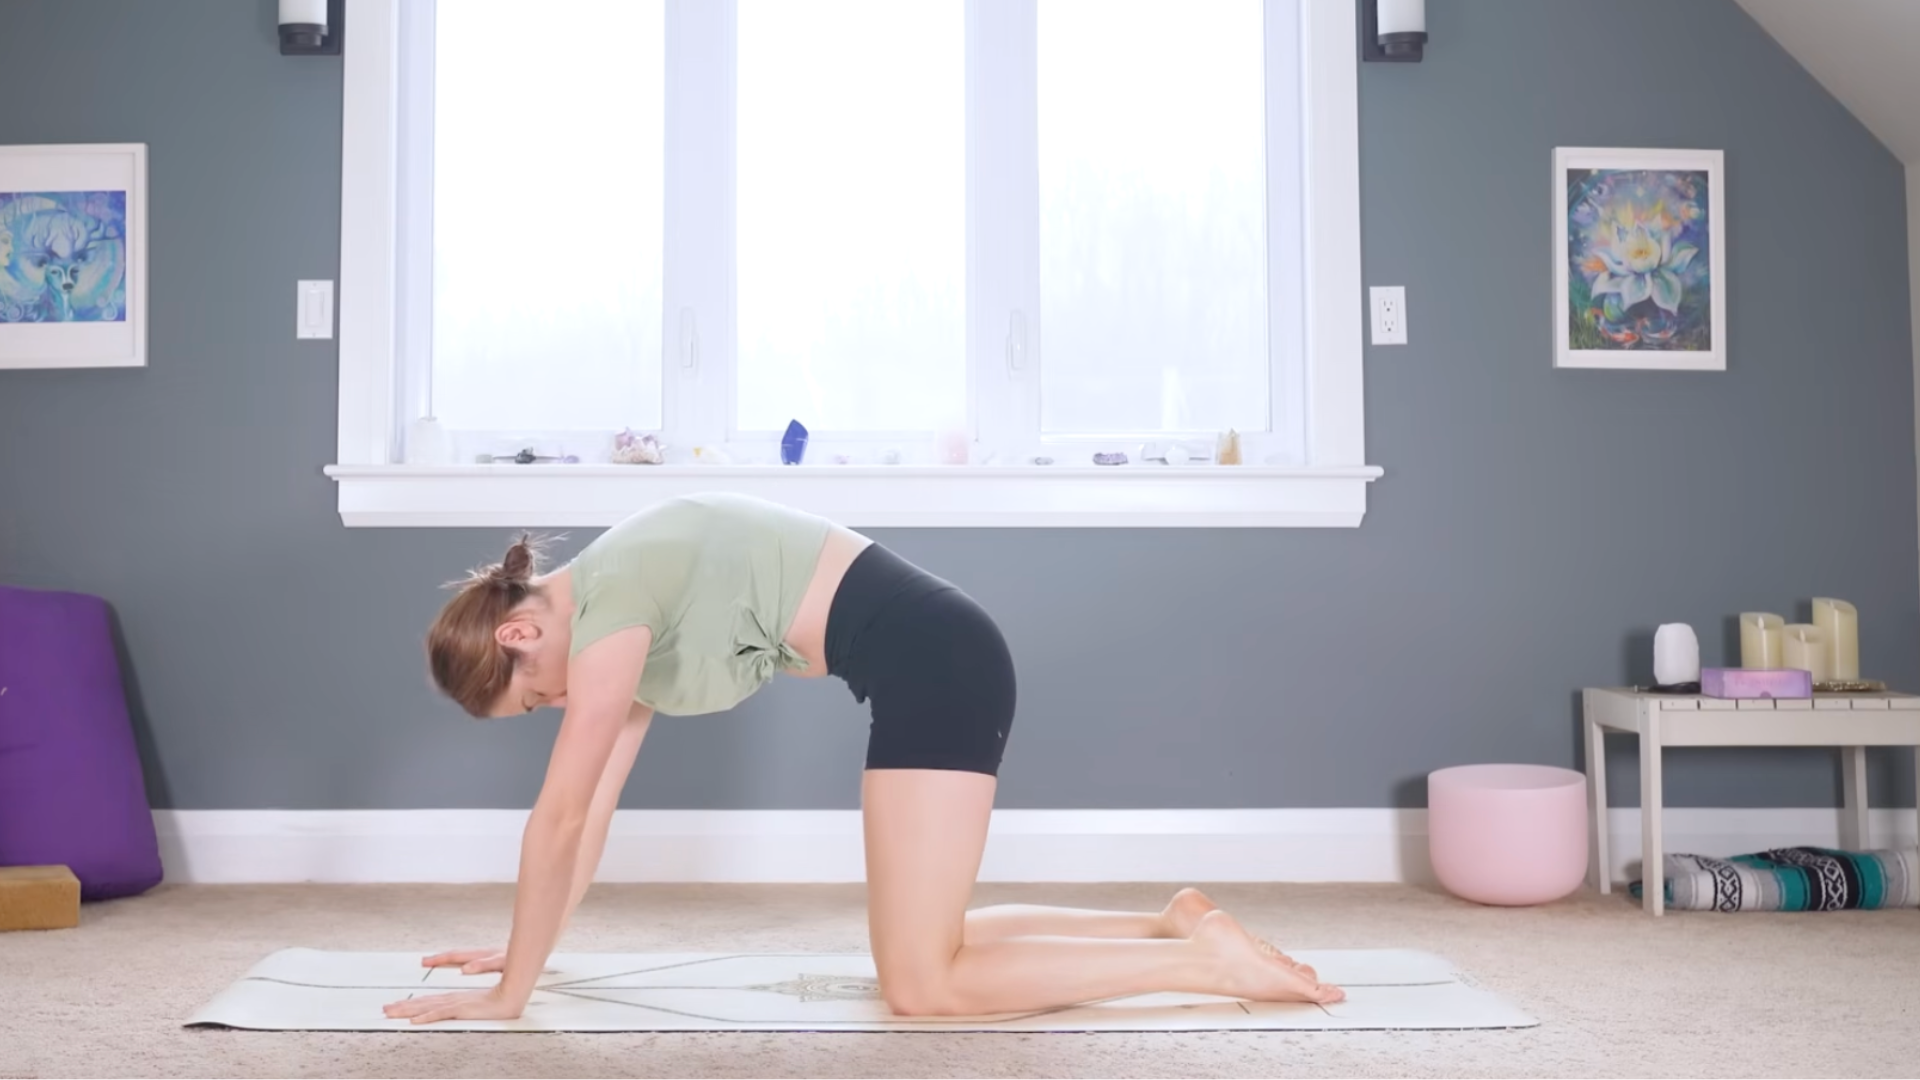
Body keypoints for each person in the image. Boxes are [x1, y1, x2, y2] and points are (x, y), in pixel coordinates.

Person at [383, 492, 1344, 1024]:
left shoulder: (610, 605)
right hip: (928, 660)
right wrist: (530, 952)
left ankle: (1207, 968)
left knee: (924, 986)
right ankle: (1166, 926)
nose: (556, 705)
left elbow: (553, 814)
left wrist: (510, 1001)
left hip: (937, 661)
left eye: (538, 695)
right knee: (927, 946)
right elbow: (590, 815)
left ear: (516, 635)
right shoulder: (615, 617)